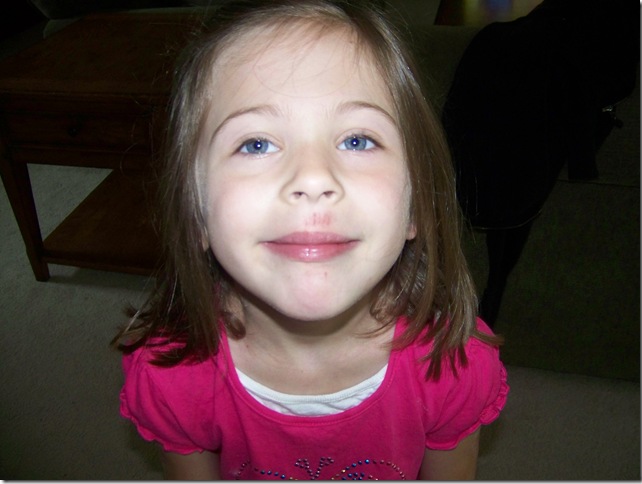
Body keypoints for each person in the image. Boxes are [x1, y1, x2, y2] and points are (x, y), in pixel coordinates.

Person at [112, 0, 509, 479]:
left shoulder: (454, 365)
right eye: (256, 144)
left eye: (357, 140)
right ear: (195, 212)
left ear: (416, 204)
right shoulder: (171, 378)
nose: (314, 177)